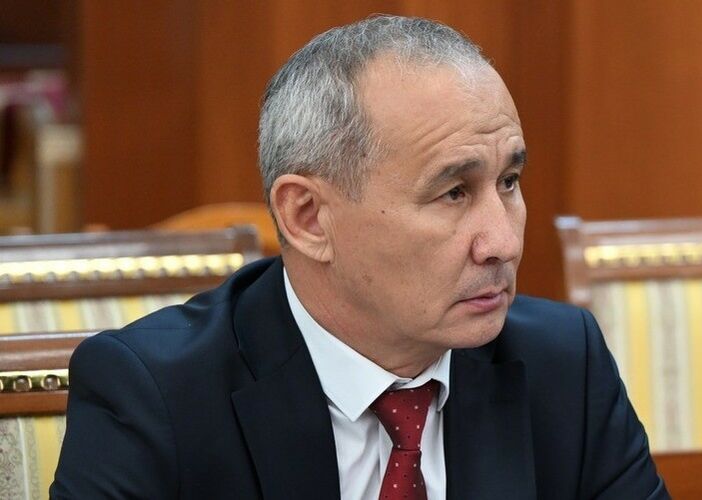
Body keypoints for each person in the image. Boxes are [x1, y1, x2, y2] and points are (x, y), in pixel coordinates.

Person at [51, 15, 669, 500]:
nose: (503, 243)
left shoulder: (563, 365)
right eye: (454, 192)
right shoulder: (156, 397)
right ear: (308, 217)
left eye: (508, 182)